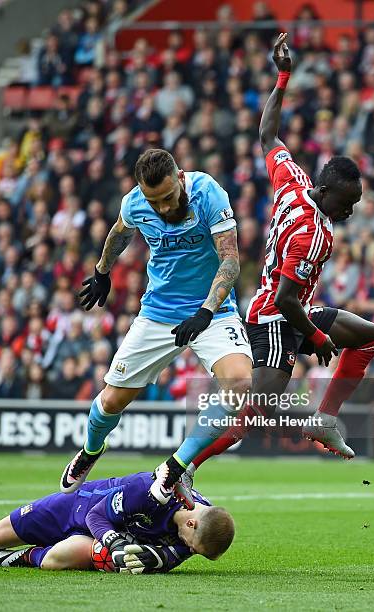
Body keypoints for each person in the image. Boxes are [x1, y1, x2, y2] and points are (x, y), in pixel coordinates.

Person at [177, 33, 374, 486]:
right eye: (348, 202)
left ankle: (324, 419)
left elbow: (267, 132)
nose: (351, 210)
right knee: (252, 412)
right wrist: (316, 337)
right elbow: (288, 300)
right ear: (327, 193)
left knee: (367, 336)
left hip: (293, 308)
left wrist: (283, 77)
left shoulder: (294, 180)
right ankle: (182, 469)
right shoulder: (312, 233)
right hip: (275, 317)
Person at [60, 148, 253, 505]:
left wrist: (206, 312)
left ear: (180, 178)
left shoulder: (208, 193)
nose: (163, 207)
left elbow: (230, 259)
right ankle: (90, 450)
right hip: (158, 313)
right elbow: (119, 232)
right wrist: (103, 270)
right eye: (154, 201)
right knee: (112, 400)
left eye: (167, 197)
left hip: (212, 310)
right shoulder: (135, 203)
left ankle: (175, 467)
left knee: (240, 383)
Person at [0, 471, 234, 574]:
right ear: (192, 525)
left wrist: (149, 559)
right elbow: (96, 516)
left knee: (56, 560)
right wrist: (115, 543)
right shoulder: (150, 491)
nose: (189, 551)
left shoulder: (201, 529)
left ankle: (22, 558)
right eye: (192, 546)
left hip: (94, 538)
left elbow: (164, 560)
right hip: (79, 506)